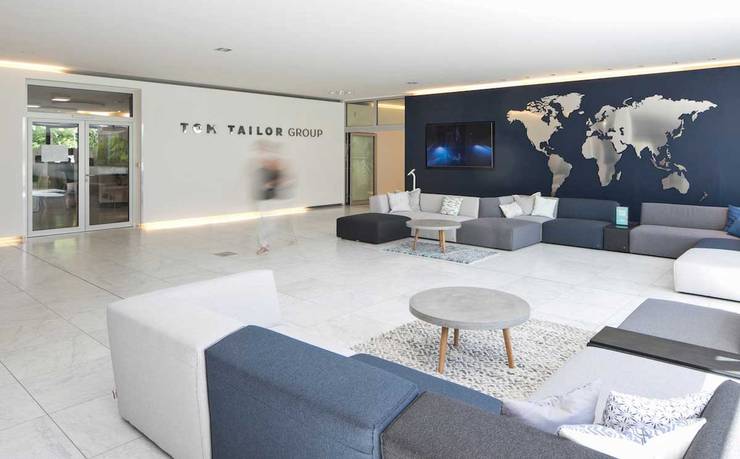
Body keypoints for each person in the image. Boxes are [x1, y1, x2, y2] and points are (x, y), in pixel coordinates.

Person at [253, 141, 296, 255]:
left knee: (270, 223)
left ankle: (267, 244)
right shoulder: (263, 168)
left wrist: (272, 184)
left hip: (271, 199)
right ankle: (264, 245)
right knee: (266, 222)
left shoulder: (276, 169)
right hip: (263, 199)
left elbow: (284, 180)